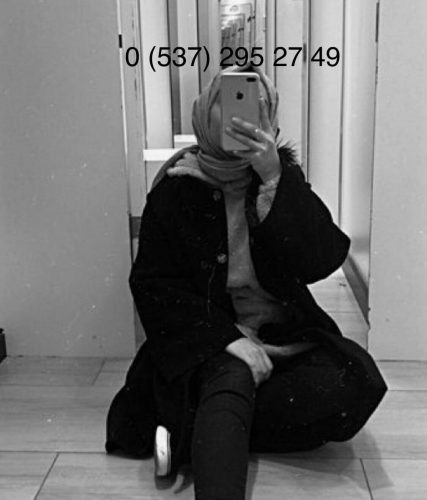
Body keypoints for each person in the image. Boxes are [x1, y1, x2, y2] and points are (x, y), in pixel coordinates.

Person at [106, 64, 387, 500]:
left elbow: (322, 259)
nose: (242, 116)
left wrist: (275, 178)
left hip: (282, 338)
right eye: (229, 101)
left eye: (259, 106)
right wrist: (226, 340)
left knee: (352, 386)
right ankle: (215, 428)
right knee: (231, 379)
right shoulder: (175, 191)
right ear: (205, 113)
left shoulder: (278, 179)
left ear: (271, 120)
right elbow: (153, 285)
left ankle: (190, 431)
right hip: (208, 341)